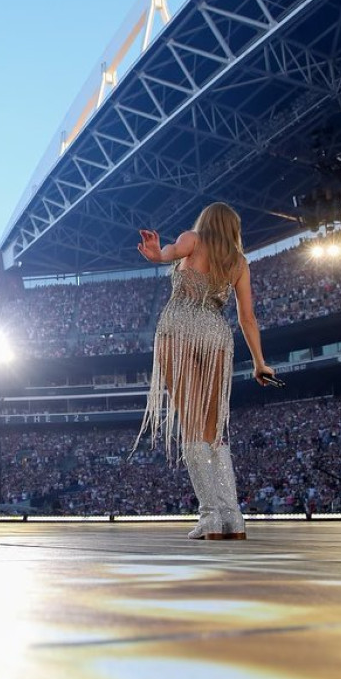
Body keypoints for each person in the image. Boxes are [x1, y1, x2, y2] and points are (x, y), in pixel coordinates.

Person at [135, 202, 275, 540]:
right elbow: (247, 318)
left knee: (193, 426)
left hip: (179, 328)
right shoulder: (239, 263)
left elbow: (168, 253)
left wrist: (156, 254)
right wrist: (259, 362)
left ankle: (210, 517)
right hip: (215, 334)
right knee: (214, 431)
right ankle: (234, 518)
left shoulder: (192, 239)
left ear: (206, 222)